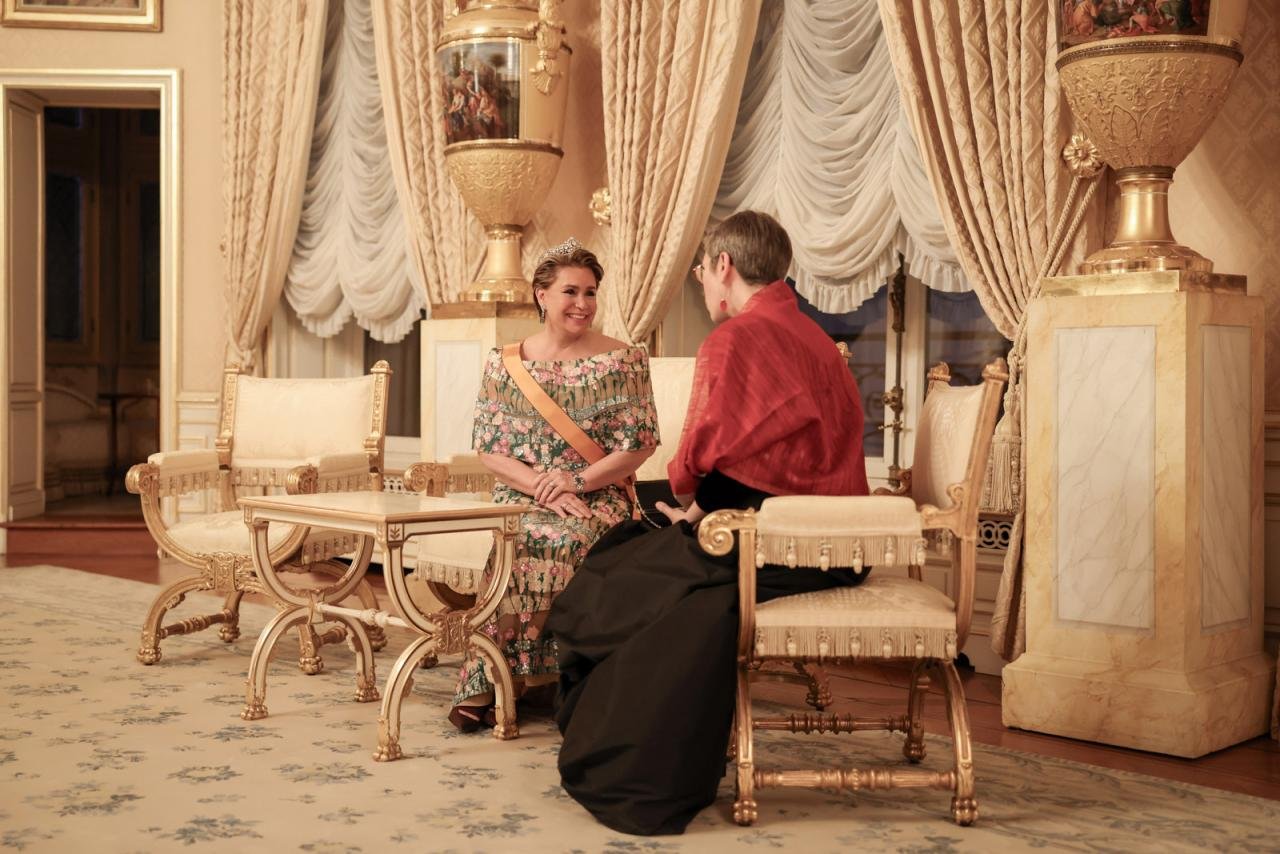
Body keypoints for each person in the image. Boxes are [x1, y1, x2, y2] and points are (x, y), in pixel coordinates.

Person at [546, 211, 871, 835]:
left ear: (724, 266)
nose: (702, 281)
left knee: (614, 567)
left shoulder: (740, 336)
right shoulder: (810, 336)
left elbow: (736, 469)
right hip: (839, 539)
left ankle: (625, 766)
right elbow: (761, 460)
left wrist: (692, 515)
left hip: (780, 544)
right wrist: (690, 506)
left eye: (701, 270)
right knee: (641, 538)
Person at [449, 238, 659, 731]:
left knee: (564, 538)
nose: (582, 305)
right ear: (541, 295)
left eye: (590, 293)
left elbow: (640, 446)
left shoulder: (623, 360)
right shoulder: (505, 362)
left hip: (601, 492)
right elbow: (490, 448)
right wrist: (545, 488)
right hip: (523, 493)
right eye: (570, 292)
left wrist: (576, 481)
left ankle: (566, 679)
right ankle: (492, 677)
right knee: (519, 536)